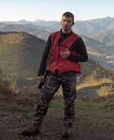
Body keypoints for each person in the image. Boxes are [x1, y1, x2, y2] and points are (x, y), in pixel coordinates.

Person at [22, 11, 88, 139]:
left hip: (69, 75)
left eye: (69, 21)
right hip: (53, 73)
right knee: (43, 99)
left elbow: (85, 57)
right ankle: (35, 126)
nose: (66, 23)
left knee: (69, 102)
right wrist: (41, 73)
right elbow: (46, 54)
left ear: (73, 23)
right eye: (64, 20)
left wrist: (70, 55)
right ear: (60, 21)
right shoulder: (52, 36)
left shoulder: (77, 40)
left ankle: (67, 128)